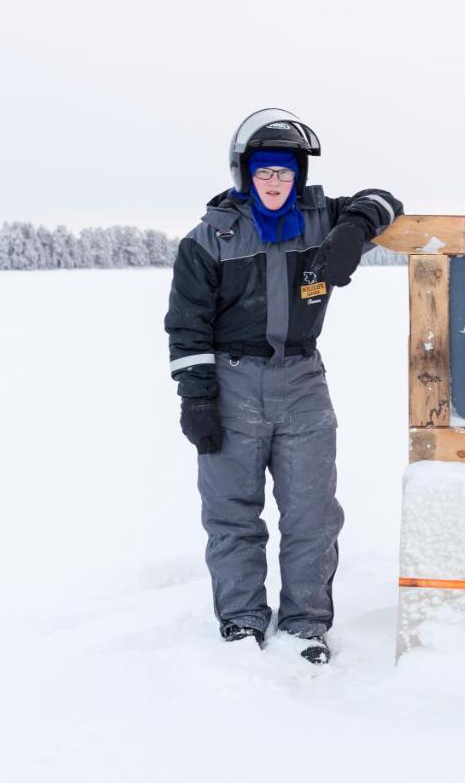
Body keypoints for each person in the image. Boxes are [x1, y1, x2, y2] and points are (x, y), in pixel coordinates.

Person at [165, 108, 401, 664]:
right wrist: (196, 396)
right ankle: (243, 618)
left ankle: (304, 624)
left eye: (286, 173)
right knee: (232, 512)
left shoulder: (321, 220)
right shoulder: (208, 240)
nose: (276, 183)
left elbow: (387, 200)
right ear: (245, 174)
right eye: (266, 173)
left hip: (302, 382)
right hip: (231, 382)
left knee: (312, 513)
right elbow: (186, 324)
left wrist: (354, 226)